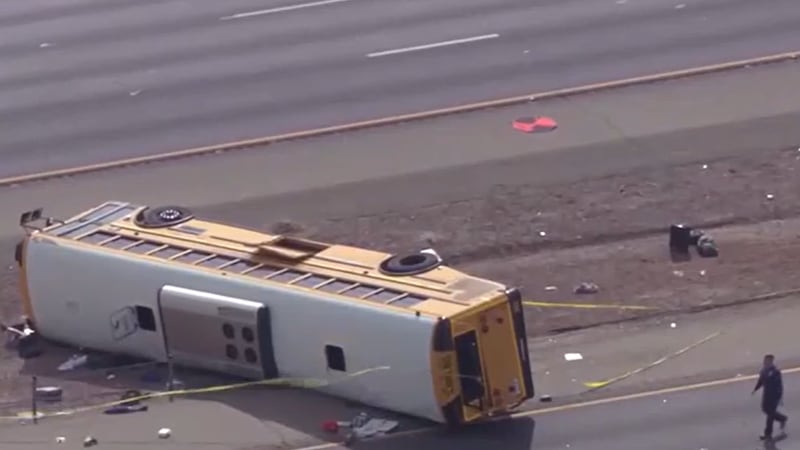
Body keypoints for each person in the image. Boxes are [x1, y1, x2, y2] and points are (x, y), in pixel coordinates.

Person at [752, 354, 788, 441]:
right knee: (765, 409)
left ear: (771, 362)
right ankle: (782, 418)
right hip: (766, 395)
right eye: (765, 361)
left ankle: (767, 434)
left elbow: (779, 385)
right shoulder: (763, 370)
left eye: (767, 361)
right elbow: (760, 381)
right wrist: (755, 389)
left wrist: (779, 397)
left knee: (770, 415)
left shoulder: (775, 372)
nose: (765, 362)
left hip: (773, 396)